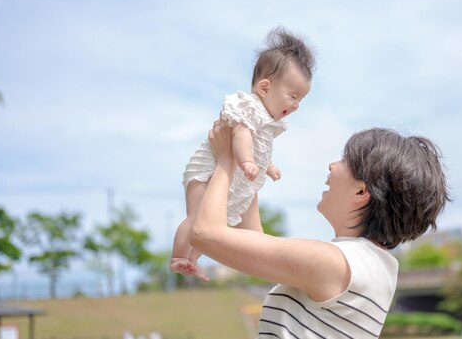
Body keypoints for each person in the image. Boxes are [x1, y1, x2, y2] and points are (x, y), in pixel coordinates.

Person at [191, 123, 449, 338]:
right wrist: (249, 170)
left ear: (361, 192)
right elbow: (256, 246)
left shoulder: (336, 263)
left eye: (344, 160)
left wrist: (226, 158)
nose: (332, 165)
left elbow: (205, 234)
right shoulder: (371, 265)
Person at [170, 28, 315, 281]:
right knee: (197, 218)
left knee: (213, 223)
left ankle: (191, 259)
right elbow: (242, 135)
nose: (295, 105)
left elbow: (260, 147)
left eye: (300, 100)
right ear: (265, 86)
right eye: (293, 96)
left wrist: (266, 165)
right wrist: (246, 161)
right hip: (206, 172)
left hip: (232, 176)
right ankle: (179, 257)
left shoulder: (267, 121)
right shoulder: (248, 106)